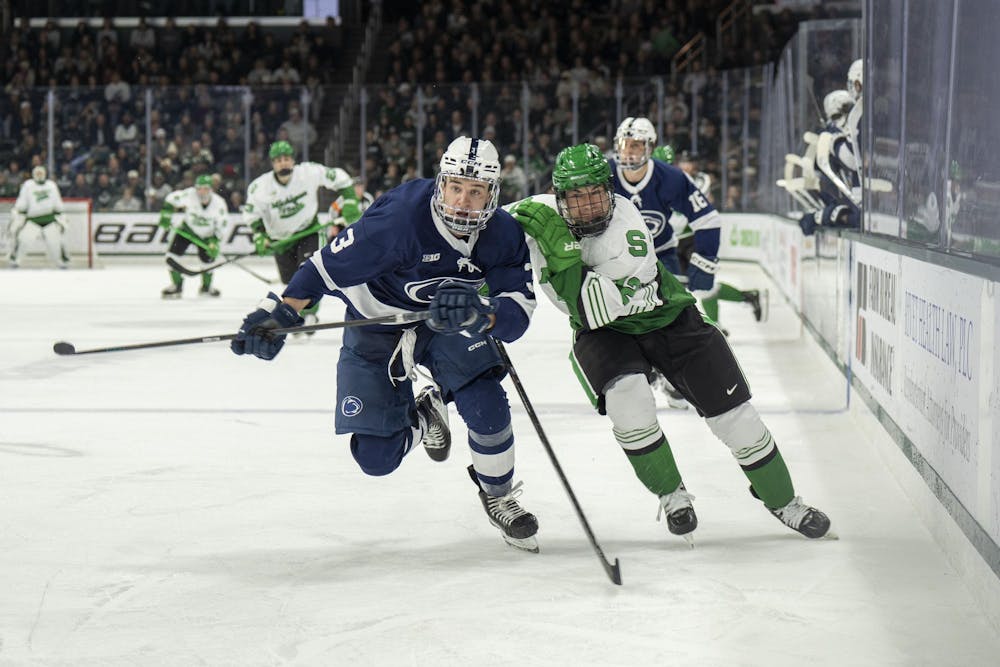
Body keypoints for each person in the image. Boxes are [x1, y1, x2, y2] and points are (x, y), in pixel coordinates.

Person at [506, 143, 832, 544]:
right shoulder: (541, 211)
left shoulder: (626, 230)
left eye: (595, 193)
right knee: (630, 404)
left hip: (670, 320)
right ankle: (673, 495)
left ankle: (785, 502)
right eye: (576, 197)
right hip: (607, 337)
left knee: (737, 419)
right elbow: (485, 238)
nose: (588, 205)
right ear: (559, 197)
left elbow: (590, 307)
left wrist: (562, 248)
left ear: (609, 193)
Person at [230, 137, 541, 552]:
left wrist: (481, 311)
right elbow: (323, 268)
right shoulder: (400, 220)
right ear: (440, 184)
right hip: (375, 323)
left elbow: (516, 316)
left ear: (493, 193)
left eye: (475, 191)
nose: (462, 201)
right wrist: (282, 312)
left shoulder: (502, 233)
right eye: (455, 188)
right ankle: (426, 415)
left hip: (447, 324)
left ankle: (498, 493)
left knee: (487, 402)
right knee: (376, 458)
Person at [243, 140, 362, 327]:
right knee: (290, 281)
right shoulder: (259, 187)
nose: (283, 163)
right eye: (279, 160)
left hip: (308, 232)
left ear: (293, 160)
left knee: (308, 274)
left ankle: (309, 315)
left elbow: (340, 178)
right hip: (281, 240)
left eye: (287, 158)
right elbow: (252, 213)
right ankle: (301, 312)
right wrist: (260, 235)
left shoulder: (308, 172)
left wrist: (350, 201)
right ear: (273, 163)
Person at [673, 150, 765, 330]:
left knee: (703, 285)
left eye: (689, 162)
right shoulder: (674, 180)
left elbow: (686, 211)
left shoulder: (701, 181)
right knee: (686, 285)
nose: (685, 166)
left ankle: (716, 327)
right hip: (677, 242)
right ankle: (747, 297)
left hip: (694, 240)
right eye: (682, 162)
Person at [159, 174, 230, 298]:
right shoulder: (189, 195)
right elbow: (171, 199)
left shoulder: (219, 203)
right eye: (199, 188)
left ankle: (206, 287)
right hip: (187, 231)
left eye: (205, 188)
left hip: (207, 236)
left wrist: (215, 240)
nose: (202, 192)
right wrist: (166, 215)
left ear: (210, 189)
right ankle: (177, 286)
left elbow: (223, 224)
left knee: (208, 263)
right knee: (171, 257)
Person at [8, 165, 68, 269]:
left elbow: (57, 202)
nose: (39, 175)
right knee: (24, 240)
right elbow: (22, 201)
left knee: (55, 242)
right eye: (37, 173)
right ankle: (16, 261)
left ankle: (61, 263)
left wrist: (61, 213)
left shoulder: (51, 185)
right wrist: (18, 210)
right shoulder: (28, 185)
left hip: (49, 218)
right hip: (33, 219)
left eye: (41, 173)